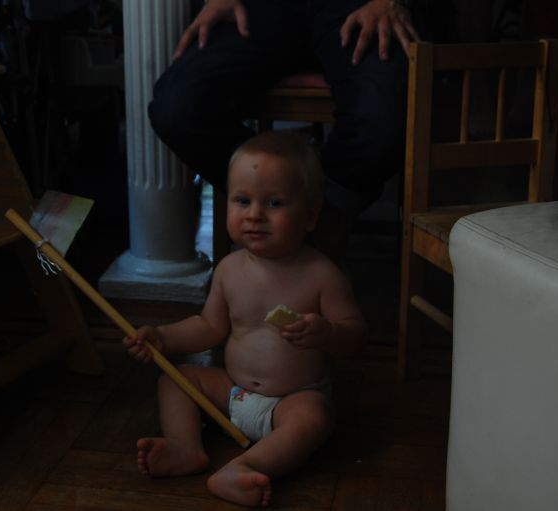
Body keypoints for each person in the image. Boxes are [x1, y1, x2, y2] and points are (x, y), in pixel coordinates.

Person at [122, 131, 367, 507]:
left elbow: (355, 337)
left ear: (310, 215)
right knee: (176, 380)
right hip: (233, 392)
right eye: (242, 200)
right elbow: (209, 326)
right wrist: (163, 338)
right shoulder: (229, 269)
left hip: (292, 399)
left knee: (315, 417)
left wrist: (327, 332)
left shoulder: (322, 275)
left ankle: (246, 466)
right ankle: (185, 446)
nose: (254, 214)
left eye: (274, 203)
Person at [149, 0, 422, 225]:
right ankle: (273, 202)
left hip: (360, 5)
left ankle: (320, 221)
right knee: (177, 108)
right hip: (265, 7)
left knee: (381, 123)